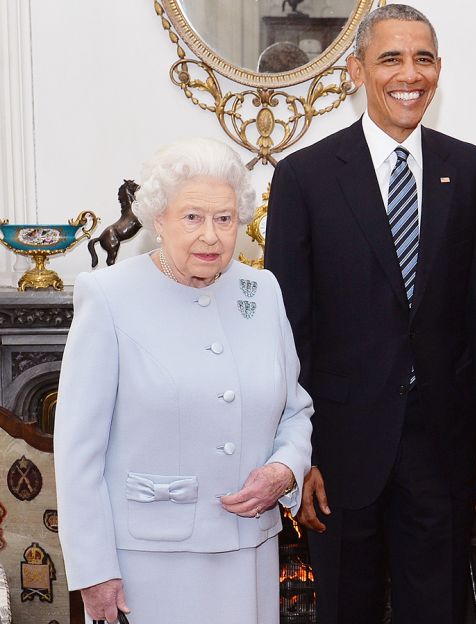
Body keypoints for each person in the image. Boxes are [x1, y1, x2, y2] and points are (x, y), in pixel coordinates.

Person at [264, 4, 476, 622]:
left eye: (423, 58)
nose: (411, 73)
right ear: (356, 71)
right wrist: (299, 452)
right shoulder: (304, 177)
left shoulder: (474, 170)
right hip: (340, 447)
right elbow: (287, 329)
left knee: (439, 609)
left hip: (443, 445)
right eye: (391, 58)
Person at [54, 137, 314, 624]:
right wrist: (93, 571)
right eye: (192, 217)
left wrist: (285, 470)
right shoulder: (108, 296)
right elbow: (77, 452)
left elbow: (295, 411)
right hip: (145, 566)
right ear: (159, 220)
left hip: (249, 554)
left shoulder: (263, 291)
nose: (211, 236)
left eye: (224, 218)